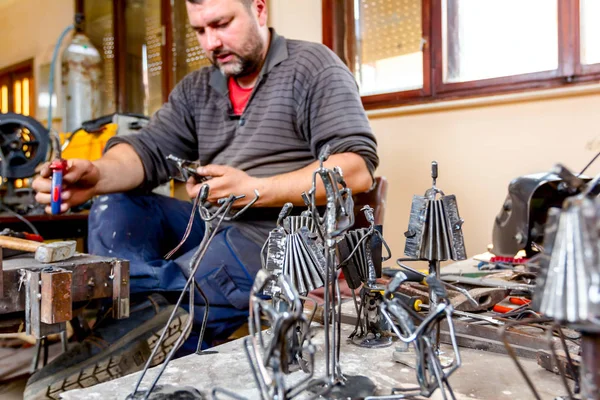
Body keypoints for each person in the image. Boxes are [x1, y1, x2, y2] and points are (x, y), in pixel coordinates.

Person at [27, 0, 378, 397]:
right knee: (117, 203)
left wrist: (253, 190)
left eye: (222, 24)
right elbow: (148, 151)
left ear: (259, 10)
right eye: (199, 30)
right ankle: (135, 320)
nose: (211, 41)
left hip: (286, 236)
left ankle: (139, 327)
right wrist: (96, 175)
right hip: (217, 227)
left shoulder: (313, 66)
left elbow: (356, 169)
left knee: (205, 264)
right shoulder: (197, 88)